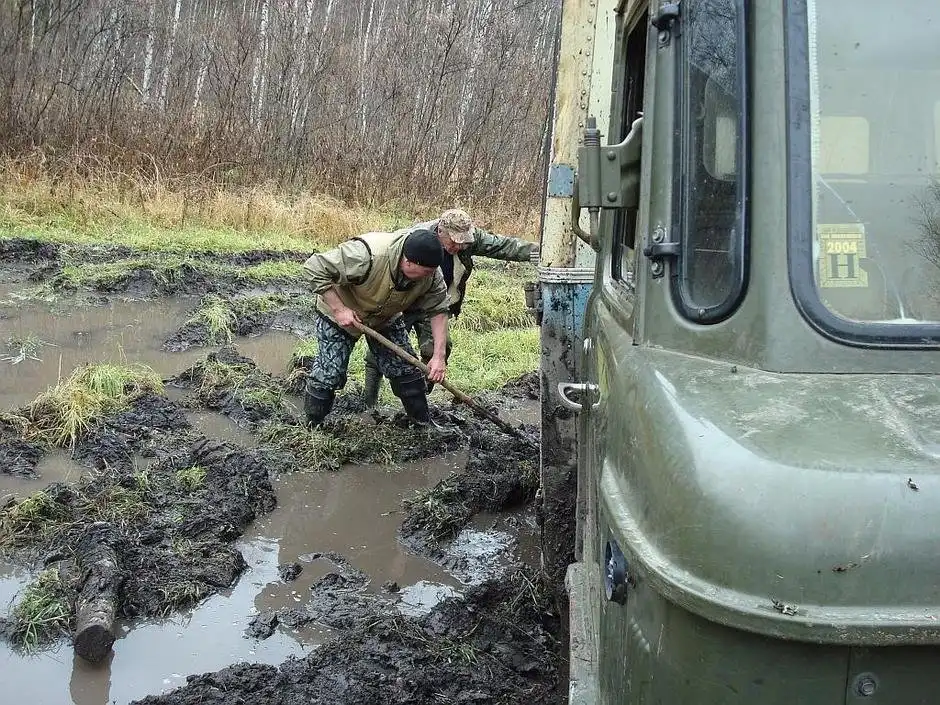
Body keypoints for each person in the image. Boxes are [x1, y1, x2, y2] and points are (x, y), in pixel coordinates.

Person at [362, 208, 539, 407]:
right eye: (454, 241)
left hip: (434, 304)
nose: (459, 246)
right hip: (403, 300)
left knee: (439, 349)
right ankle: (369, 403)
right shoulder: (415, 239)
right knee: (381, 349)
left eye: (463, 242)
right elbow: (385, 263)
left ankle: (417, 399)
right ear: (440, 231)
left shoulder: (467, 239)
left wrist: (539, 251)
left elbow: (503, 245)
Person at [301, 227, 449, 426]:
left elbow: (438, 309)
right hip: (340, 313)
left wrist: (438, 356)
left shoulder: (432, 273)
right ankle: (312, 425)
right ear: (408, 262)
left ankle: (423, 424)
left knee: (406, 370)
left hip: (385, 316)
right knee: (329, 374)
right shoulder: (366, 255)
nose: (430, 276)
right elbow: (314, 267)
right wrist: (339, 309)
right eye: (426, 273)